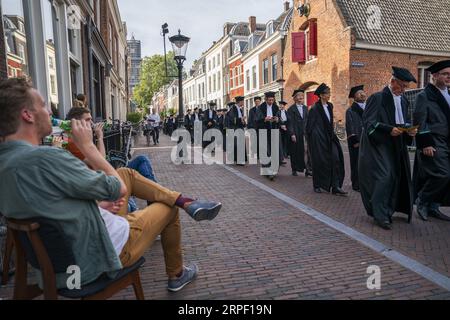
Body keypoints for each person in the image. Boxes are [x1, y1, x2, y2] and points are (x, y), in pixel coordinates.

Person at [0, 78, 222, 292]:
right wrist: (88, 146)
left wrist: (96, 207)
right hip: (96, 259)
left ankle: (186, 201)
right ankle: (177, 272)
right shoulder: (46, 158)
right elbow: (118, 189)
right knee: (169, 207)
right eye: (43, 105)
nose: (50, 111)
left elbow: (51, 208)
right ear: (27, 115)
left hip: (58, 269)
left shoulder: (6, 162)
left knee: (125, 171)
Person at [359, 67, 418, 230]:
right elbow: (368, 123)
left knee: (396, 175)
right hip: (378, 144)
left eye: (406, 87)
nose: (404, 90)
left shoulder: (404, 100)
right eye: (402, 86)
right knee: (384, 176)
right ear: (392, 82)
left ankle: (388, 209)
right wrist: (388, 129)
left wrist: (409, 131)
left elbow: (403, 122)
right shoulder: (377, 98)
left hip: (397, 143)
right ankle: (378, 214)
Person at [413, 60, 450, 222]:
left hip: (448, 141)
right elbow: (420, 120)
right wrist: (425, 143)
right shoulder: (424, 96)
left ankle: (434, 206)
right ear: (434, 76)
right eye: (445, 74)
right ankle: (422, 199)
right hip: (435, 141)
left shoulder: (449, 94)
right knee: (442, 174)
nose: (449, 77)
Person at [306, 83, 346, 196]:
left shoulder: (330, 106)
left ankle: (335, 186)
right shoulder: (314, 109)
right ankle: (317, 184)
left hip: (330, 137)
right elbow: (309, 126)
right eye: (327, 93)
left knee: (336, 159)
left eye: (329, 93)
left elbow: (329, 121)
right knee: (319, 161)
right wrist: (313, 139)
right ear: (321, 95)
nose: (329, 95)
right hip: (319, 139)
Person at [345, 85, 367, 192]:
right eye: (359, 93)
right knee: (356, 162)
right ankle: (356, 183)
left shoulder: (369, 107)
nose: (362, 94)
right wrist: (355, 141)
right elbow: (350, 127)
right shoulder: (350, 111)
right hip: (357, 141)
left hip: (368, 140)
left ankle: (365, 183)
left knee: (366, 163)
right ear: (354, 97)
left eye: (363, 92)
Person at [287, 89, 309, 177]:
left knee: (307, 151)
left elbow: (308, 120)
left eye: (302, 96)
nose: (301, 97)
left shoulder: (305, 108)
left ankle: (308, 169)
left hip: (304, 132)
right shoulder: (291, 109)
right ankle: (294, 169)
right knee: (295, 152)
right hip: (296, 133)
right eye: (299, 96)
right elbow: (290, 123)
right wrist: (292, 134)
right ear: (295, 98)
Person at [227, 96, 247, 165]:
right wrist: (241, 119)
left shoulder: (240, 109)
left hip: (240, 128)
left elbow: (240, 119)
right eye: (242, 101)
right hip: (235, 129)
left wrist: (243, 122)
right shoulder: (233, 109)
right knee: (236, 145)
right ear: (240, 102)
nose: (243, 103)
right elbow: (233, 119)